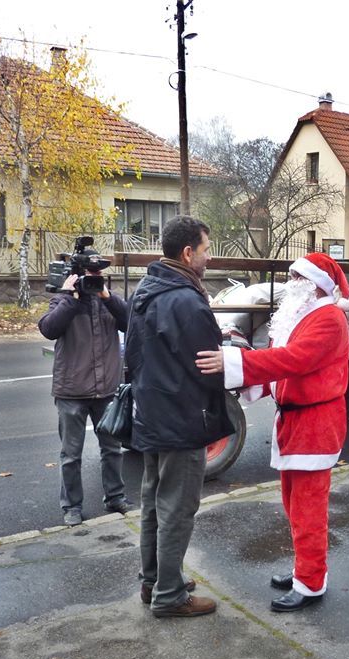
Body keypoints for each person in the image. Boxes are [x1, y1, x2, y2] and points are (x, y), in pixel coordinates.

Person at [196, 252, 349, 613]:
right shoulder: (306, 316)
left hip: (315, 426)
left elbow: (294, 360)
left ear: (316, 286)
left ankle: (311, 582)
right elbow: (286, 365)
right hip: (297, 423)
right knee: (294, 504)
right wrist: (251, 380)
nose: (292, 284)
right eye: (292, 276)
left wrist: (235, 363)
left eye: (299, 278)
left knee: (309, 509)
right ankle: (304, 569)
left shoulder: (328, 319)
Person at [125, 216, 234, 618]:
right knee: (177, 508)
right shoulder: (187, 300)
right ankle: (169, 595)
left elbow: (133, 355)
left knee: (155, 502)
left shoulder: (146, 290)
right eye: (206, 249)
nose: (209, 257)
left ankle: (154, 580)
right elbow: (208, 365)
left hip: (151, 414)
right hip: (182, 418)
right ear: (188, 253)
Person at [38, 243, 134, 527]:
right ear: (78, 274)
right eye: (89, 273)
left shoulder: (108, 299)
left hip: (106, 390)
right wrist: (69, 297)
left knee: (112, 450)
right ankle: (72, 506)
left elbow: (131, 322)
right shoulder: (63, 300)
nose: (94, 277)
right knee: (71, 455)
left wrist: (107, 297)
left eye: (98, 273)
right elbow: (48, 329)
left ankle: (115, 497)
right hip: (72, 391)